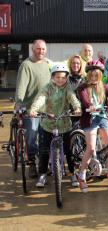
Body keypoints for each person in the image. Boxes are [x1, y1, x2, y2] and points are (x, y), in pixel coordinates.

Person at [29, 63, 82, 187]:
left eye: (63, 77)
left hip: (64, 123)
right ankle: (42, 174)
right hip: (48, 123)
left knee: (69, 151)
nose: (60, 80)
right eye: (57, 77)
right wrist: (34, 109)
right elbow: (40, 98)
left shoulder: (68, 88)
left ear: (66, 78)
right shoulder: (47, 88)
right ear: (53, 77)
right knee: (45, 150)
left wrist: (77, 108)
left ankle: (72, 173)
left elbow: (72, 98)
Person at [76, 63, 108, 193]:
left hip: (102, 118)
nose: (94, 77)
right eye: (91, 75)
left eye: (96, 75)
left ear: (100, 75)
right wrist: (90, 106)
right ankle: (81, 175)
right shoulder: (82, 88)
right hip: (89, 119)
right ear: (88, 75)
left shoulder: (102, 86)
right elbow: (85, 101)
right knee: (90, 149)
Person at [15, 39, 51, 178]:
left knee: (45, 138)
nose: (41, 51)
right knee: (31, 136)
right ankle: (31, 162)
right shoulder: (26, 65)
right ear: (32, 49)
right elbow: (21, 86)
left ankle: (43, 163)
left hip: (46, 109)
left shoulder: (47, 64)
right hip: (30, 108)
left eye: (43, 49)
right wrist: (19, 103)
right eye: (38, 49)